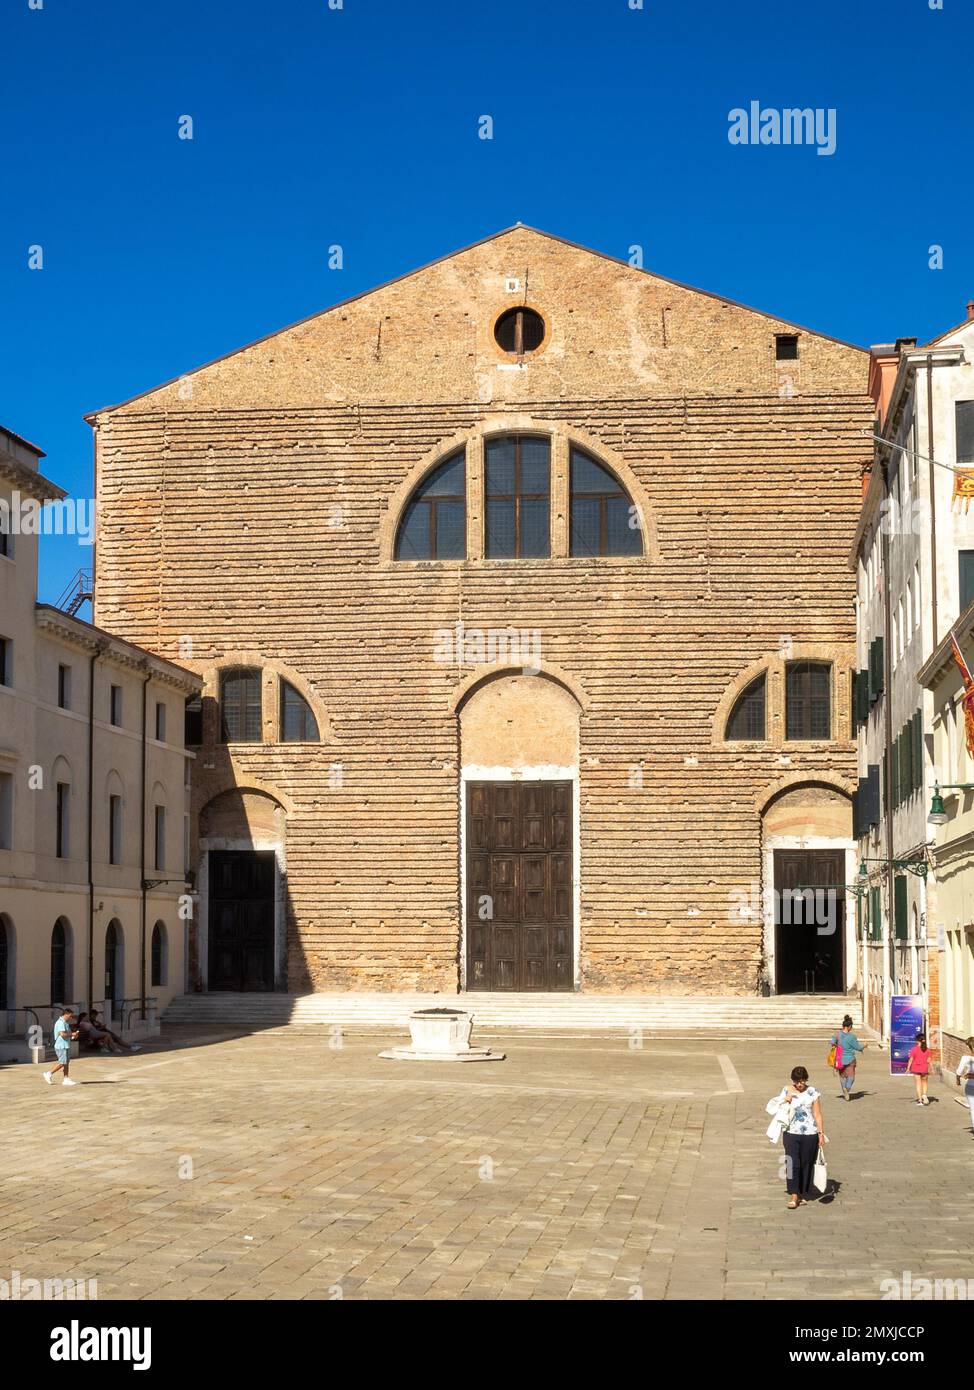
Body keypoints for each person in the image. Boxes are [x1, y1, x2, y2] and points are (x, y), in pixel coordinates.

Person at [770, 1065, 826, 1210]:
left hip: (810, 1133)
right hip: (790, 1132)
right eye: (797, 1081)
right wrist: (785, 1100)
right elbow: (775, 1107)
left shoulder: (813, 1092)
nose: (800, 1084)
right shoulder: (786, 1090)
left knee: (806, 1163)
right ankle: (793, 1194)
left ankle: (801, 1193)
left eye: (802, 1081)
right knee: (791, 1162)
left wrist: (820, 1133)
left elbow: (817, 1114)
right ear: (793, 1080)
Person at [830, 1014, 868, 1101]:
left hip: (839, 1059)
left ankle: (844, 1088)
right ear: (850, 1026)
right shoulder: (852, 1037)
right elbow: (857, 1047)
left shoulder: (837, 1035)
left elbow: (832, 1042)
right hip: (850, 1059)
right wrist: (864, 1046)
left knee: (842, 1076)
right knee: (851, 1077)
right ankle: (847, 1089)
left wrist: (837, 1045)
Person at [43, 1007, 79, 1087]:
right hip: (61, 1046)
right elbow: (62, 1034)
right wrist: (72, 1034)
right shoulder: (60, 1023)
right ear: (66, 1015)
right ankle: (49, 1073)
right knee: (62, 1062)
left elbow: (67, 1034)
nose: (71, 1018)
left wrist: (73, 1035)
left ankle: (66, 1079)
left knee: (66, 1063)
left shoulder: (65, 1023)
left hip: (65, 1045)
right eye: (70, 1016)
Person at [955, 1037, 974, 1133]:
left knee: (973, 1108)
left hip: (971, 1085)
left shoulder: (965, 1058)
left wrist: (958, 1079)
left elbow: (959, 1072)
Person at [907, 1032, 932, 1105]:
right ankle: (924, 1094)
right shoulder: (927, 1050)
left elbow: (911, 1059)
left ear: (917, 1041)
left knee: (918, 1083)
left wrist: (908, 1068)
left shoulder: (914, 1049)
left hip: (916, 1068)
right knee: (924, 1082)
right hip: (924, 1068)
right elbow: (929, 1060)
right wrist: (931, 1068)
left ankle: (920, 1100)